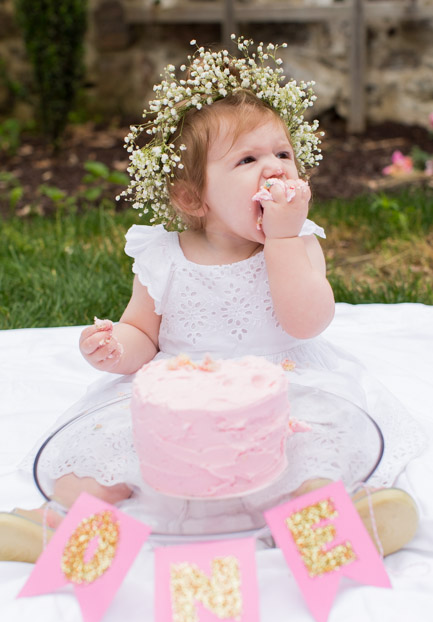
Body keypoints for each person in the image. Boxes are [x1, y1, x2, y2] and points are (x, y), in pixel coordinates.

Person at [0, 36, 425, 563]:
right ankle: (57, 526)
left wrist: (283, 240)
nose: (275, 169)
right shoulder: (165, 255)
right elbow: (143, 332)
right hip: (182, 395)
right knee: (105, 457)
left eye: (283, 153)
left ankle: (333, 523)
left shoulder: (298, 241)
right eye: (248, 158)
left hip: (282, 383)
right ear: (191, 196)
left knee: (313, 451)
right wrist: (116, 346)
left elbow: (306, 321)